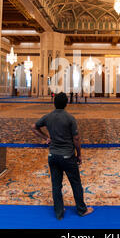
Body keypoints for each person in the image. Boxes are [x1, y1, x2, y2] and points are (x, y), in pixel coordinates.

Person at [31, 92, 94, 220]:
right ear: (66, 104)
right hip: (67, 157)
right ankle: (82, 210)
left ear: (54, 103)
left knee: (56, 185)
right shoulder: (70, 118)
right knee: (75, 183)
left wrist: (46, 138)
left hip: (53, 155)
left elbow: (33, 127)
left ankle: (59, 212)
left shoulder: (48, 117)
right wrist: (79, 154)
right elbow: (76, 138)